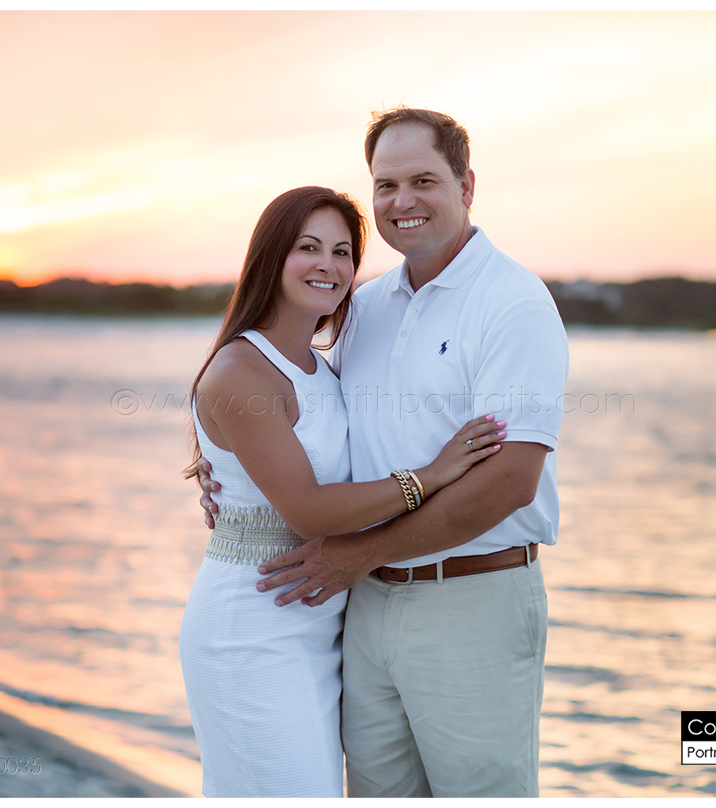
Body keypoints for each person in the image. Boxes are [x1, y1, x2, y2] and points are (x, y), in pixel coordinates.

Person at [200, 109, 569, 797]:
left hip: (469, 598)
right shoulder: (364, 308)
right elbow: (298, 410)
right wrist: (223, 467)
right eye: (386, 184)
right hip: (360, 607)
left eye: (423, 180)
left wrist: (363, 551)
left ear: (466, 186)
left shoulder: (512, 302)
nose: (402, 201)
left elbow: (511, 481)